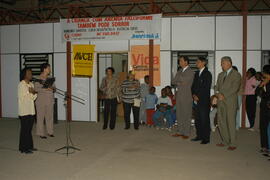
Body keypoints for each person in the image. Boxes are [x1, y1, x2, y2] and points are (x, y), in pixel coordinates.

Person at [215, 56, 241, 151]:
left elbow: (235, 88)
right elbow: (216, 87)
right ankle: (225, 141)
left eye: (223, 63)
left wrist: (223, 95)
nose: (221, 65)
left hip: (230, 102)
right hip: (220, 102)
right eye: (221, 63)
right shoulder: (220, 75)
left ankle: (233, 143)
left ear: (229, 63)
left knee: (230, 122)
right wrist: (217, 94)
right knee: (221, 122)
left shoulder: (236, 74)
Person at [171, 56, 194, 139]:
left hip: (186, 96)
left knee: (186, 115)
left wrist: (179, 80)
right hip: (179, 95)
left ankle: (186, 133)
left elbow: (184, 82)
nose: (179, 62)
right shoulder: (180, 70)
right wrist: (179, 81)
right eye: (179, 61)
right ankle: (180, 131)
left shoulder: (190, 71)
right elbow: (173, 81)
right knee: (179, 114)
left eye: (181, 61)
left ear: (186, 62)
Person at [191, 57, 212, 144]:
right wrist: (193, 94)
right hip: (196, 100)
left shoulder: (208, 74)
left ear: (204, 63)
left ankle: (206, 138)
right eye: (196, 62)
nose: (196, 63)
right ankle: (199, 136)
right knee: (198, 119)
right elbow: (193, 86)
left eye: (198, 62)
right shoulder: (196, 73)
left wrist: (198, 96)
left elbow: (206, 88)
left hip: (203, 100)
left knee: (204, 120)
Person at [18, 68, 37, 154]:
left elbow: (34, 97)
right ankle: (23, 148)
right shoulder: (21, 85)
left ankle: (30, 146)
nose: (31, 75)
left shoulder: (31, 84)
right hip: (24, 111)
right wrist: (31, 93)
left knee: (29, 130)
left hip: (31, 110)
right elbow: (23, 97)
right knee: (24, 130)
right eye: (29, 73)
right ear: (24, 75)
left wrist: (33, 92)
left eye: (31, 73)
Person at [34, 63, 55, 139]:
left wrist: (53, 88)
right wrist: (45, 89)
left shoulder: (51, 78)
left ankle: (50, 132)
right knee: (40, 117)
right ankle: (40, 133)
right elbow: (36, 89)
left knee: (49, 117)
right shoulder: (38, 78)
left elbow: (54, 88)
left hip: (50, 100)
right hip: (41, 101)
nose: (50, 69)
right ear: (44, 69)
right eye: (49, 68)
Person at [255, 65, 270, 155]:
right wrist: (262, 85)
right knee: (263, 127)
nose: (263, 75)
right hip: (264, 107)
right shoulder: (263, 81)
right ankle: (264, 146)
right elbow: (257, 92)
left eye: (264, 73)